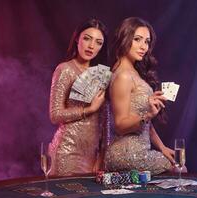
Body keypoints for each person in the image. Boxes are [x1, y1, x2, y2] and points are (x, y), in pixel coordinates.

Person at [104, 17, 175, 175]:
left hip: (139, 151)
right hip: (125, 154)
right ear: (125, 38)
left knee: (176, 163)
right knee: (178, 168)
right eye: (137, 39)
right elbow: (120, 125)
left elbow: (145, 122)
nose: (143, 46)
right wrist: (147, 115)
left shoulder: (133, 72)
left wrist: (162, 147)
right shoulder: (122, 75)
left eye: (147, 42)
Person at [48, 18, 108, 176]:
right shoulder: (65, 69)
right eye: (87, 38)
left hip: (93, 156)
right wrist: (89, 109)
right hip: (67, 152)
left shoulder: (100, 74)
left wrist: (102, 154)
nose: (91, 46)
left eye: (98, 42)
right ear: (77, 39)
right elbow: (55, 115)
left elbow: (104, 120)